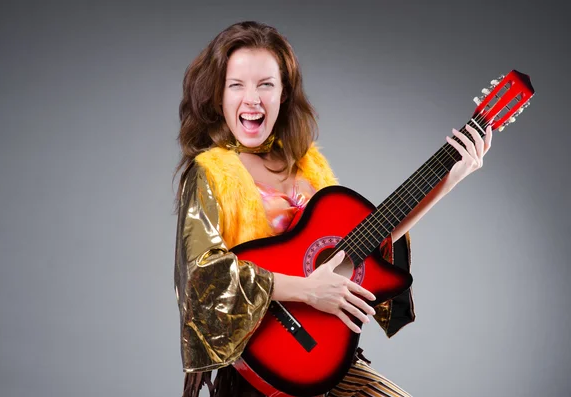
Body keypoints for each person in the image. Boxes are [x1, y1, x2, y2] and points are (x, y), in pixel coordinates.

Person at [174, 21, 492, 397]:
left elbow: (362, 245)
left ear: (284, 94)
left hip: (325, 355)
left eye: (266, 84)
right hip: (262, 370)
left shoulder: (306, 167)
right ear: (218, 96)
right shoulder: (209, 173)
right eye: (236, 85)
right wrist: (308, 291)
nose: (252, 99)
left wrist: (448, 181)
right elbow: (204, 278)